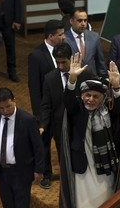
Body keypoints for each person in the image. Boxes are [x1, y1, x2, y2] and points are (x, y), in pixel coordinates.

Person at [59, 59, 120, 207]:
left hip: (104, 168)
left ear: (102, 98)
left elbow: (118, 107)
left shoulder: (107, 112)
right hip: (82, 169)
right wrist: (72, 79)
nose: (90, 100)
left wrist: (117, 86)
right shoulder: (78, 111)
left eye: (95, 96)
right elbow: (68, 101)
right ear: (82, 96)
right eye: (87, 95)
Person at [39, 42, 97, 189]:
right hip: (60, 126)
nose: (60, 66)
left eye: (63, 62)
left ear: (70, 59)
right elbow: (46, 104)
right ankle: (68, 185)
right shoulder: (50, 78)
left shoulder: (85, 73)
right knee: (64, 158)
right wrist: (42, 125)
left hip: (82, 124)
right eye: (57, 62)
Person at [0, 87, 44, 208]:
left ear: (14, 101)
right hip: (2, 170)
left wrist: (39, 169)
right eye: (1, 108)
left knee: (21, 204)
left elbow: (38, 147)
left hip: (21, 170)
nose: (5, 111)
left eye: (8, 106)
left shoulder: (28, 120)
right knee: (7, 204)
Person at [28, 19, 65, 122]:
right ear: (51, 37)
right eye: (60, 35)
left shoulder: (65, 49)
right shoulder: (36, 56)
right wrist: (38, 114)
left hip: (62, 108)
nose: (64, 37)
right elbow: (34, 87)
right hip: (46, 110)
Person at [64, 8, 107, 78]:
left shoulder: (94, 36)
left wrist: (104, 78)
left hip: (93, 79)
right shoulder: (64, 39)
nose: (83, 24)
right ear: (71, 21)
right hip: (74, 80)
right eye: (80, 20)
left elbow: (100, 61)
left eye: (85, 20)